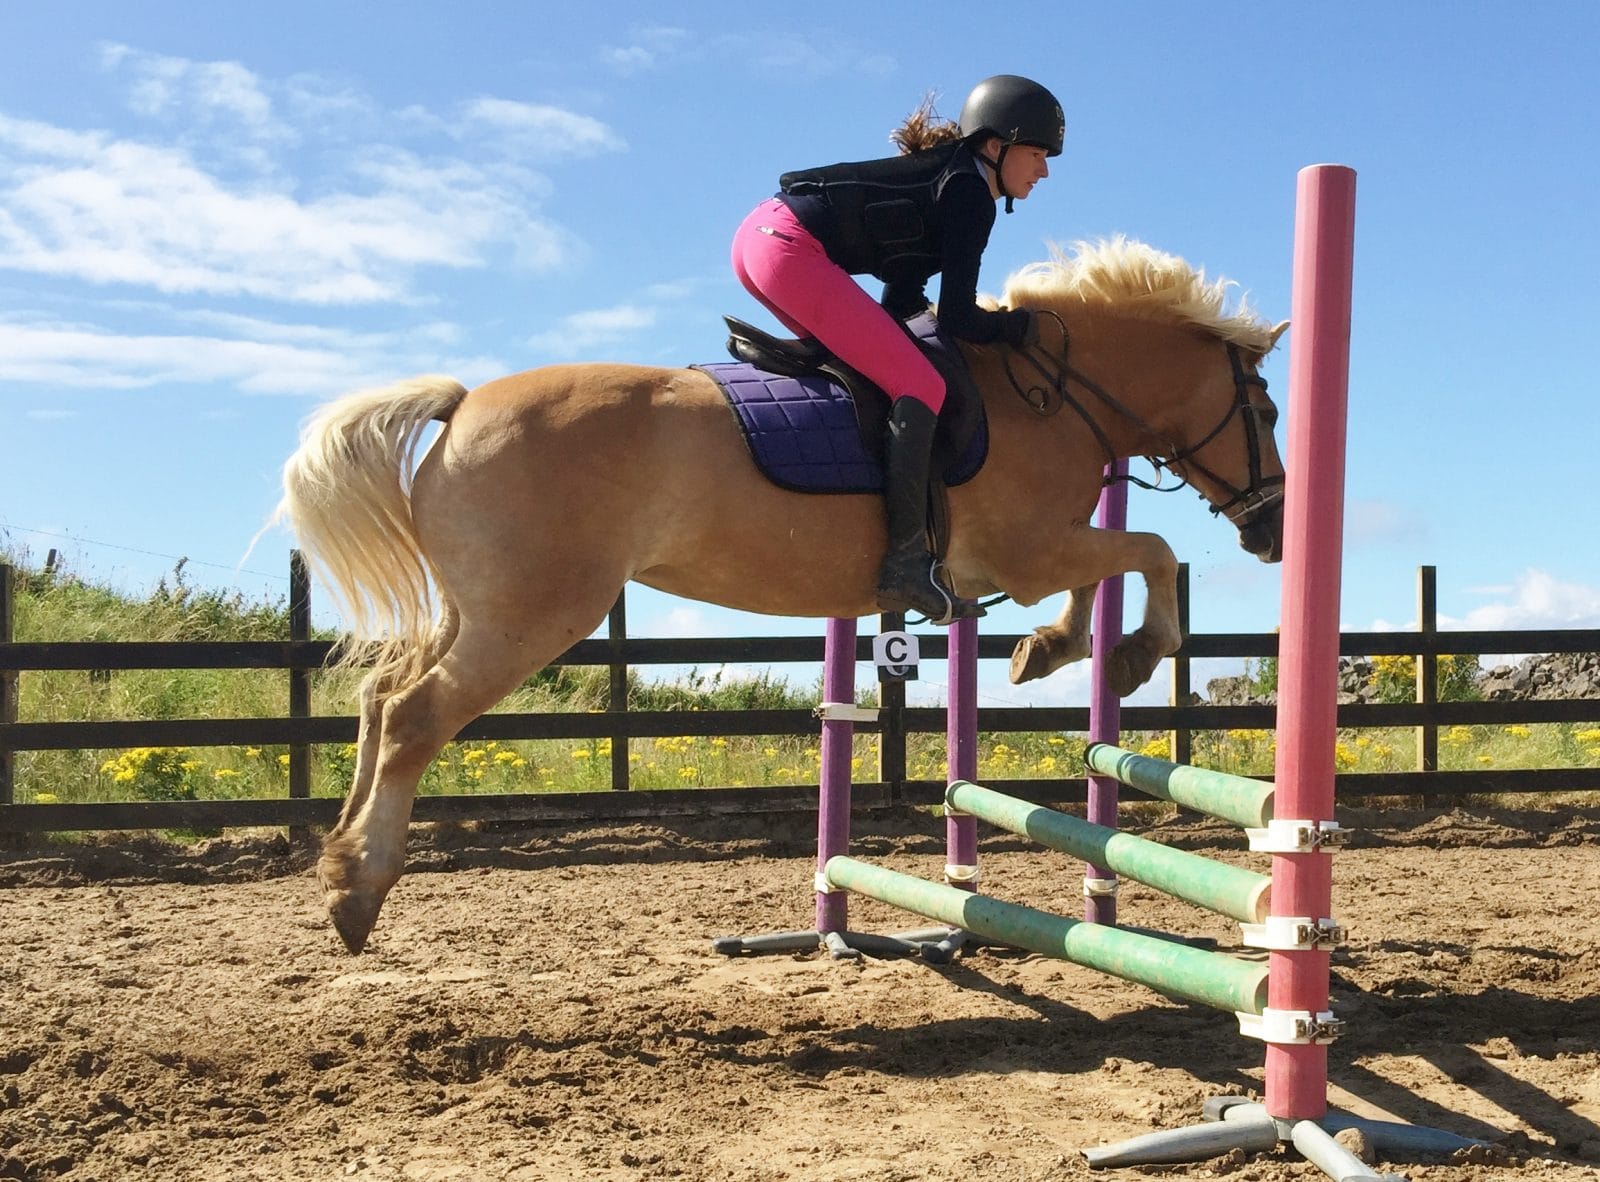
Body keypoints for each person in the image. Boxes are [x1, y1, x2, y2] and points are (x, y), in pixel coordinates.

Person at [731, 75, 1064, 623]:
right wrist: (1019, 329)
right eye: (1036, 153)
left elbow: (902, 299)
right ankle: (906, 563)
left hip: (756, 241)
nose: (1044, 169)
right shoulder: (968, 193)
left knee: (886, 373)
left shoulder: (945, 183)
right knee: (921, 384)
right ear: (994, 147)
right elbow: (958, 317)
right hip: (788, 248)